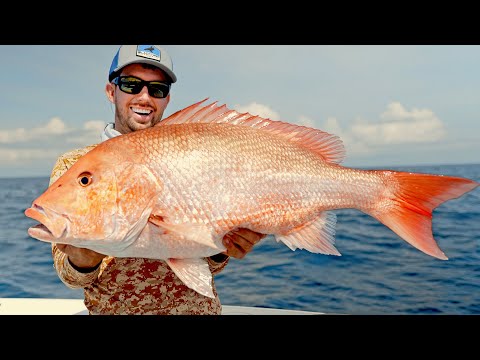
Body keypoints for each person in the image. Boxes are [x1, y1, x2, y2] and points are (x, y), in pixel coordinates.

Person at [50, 45, 266, 315]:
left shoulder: (195, 157)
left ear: (166, 99)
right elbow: (71, 277)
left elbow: (208, 266)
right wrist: (86, 252)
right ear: (111, 91)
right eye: (131, 85)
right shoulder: (76, 166)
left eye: (157, 89)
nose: (144, 97)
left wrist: (223, 249)